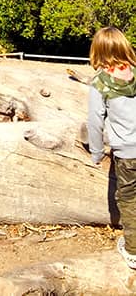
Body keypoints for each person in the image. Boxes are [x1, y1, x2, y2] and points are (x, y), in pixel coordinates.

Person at [87, 25, 136, 270]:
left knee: (128, 198)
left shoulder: (101, 83)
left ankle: (133, 250)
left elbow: (95, 121)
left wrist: (96, 152)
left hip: (127, 152)